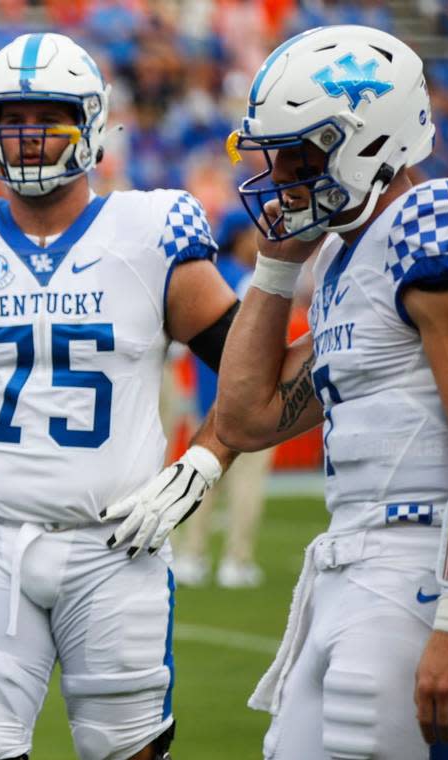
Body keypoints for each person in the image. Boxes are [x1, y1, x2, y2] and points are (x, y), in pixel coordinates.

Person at [0, 32, 242, 760]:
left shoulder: (153, 230)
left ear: (89, 120)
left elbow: (253, 376)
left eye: (45, 116)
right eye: (8, 118)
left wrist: (203, 461)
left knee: (127, 749)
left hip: (118, 541)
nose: (24, 137)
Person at [217, 25, 448, 758]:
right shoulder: (351, 258)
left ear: (369, 139)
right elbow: (247, 415)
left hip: (421, 566)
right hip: (352, 569)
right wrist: (278, 269)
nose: (282, 171)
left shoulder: (435, 221)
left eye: (300, 150)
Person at [175, 219, 274, 588]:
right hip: (248, 397)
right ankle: (237, 559)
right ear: (240, 238)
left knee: (202, 476)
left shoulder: (206, 279)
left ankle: (191, 555)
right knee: (247, 479)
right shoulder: (251, 279)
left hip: (207, 394)